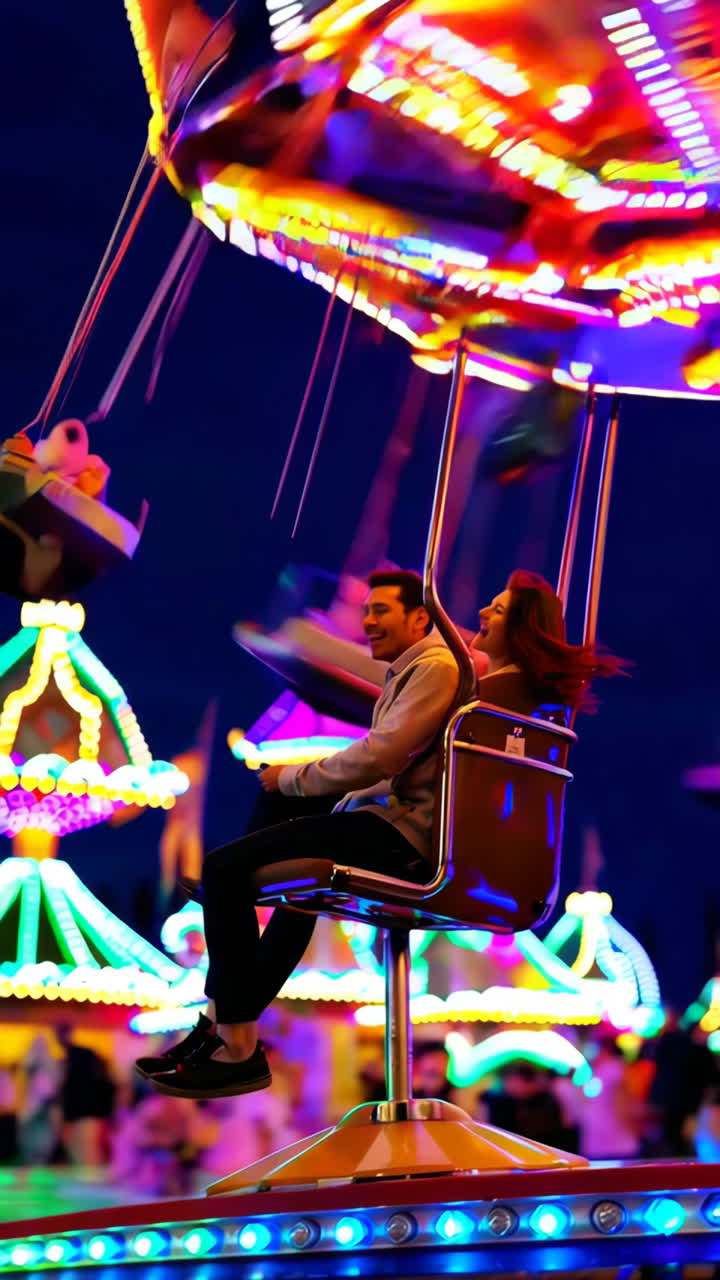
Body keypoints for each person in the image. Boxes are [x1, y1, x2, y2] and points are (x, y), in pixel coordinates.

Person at [136, 568, 622, 1100]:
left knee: (230, 864)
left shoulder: (465, 683)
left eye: (499, 611)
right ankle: (223, 1031)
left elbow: (390, 755)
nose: (482, 614)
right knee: (269, 863)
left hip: (412, 842)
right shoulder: (495, 691)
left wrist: (306, 773)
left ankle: (234, 1042)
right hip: (421, 833)